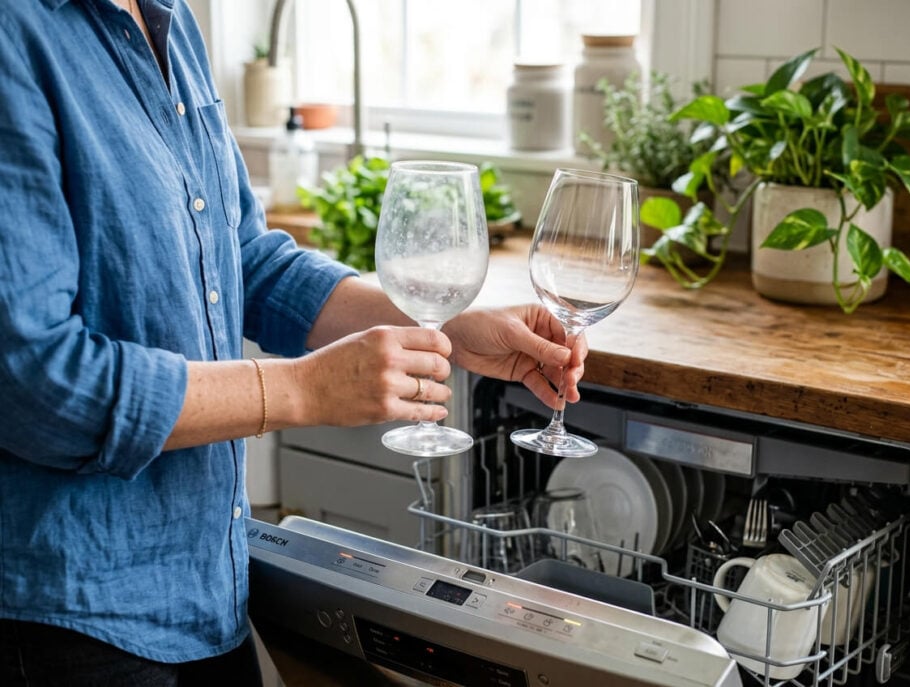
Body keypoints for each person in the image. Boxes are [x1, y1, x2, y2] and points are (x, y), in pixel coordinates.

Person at [0, 1, 586, 684]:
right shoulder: (17, 32)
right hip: (70, 616)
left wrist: (445, 323)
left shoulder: (169, 20)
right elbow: (36, 383)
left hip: (206, 588)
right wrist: (302, 389)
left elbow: (246, 261)